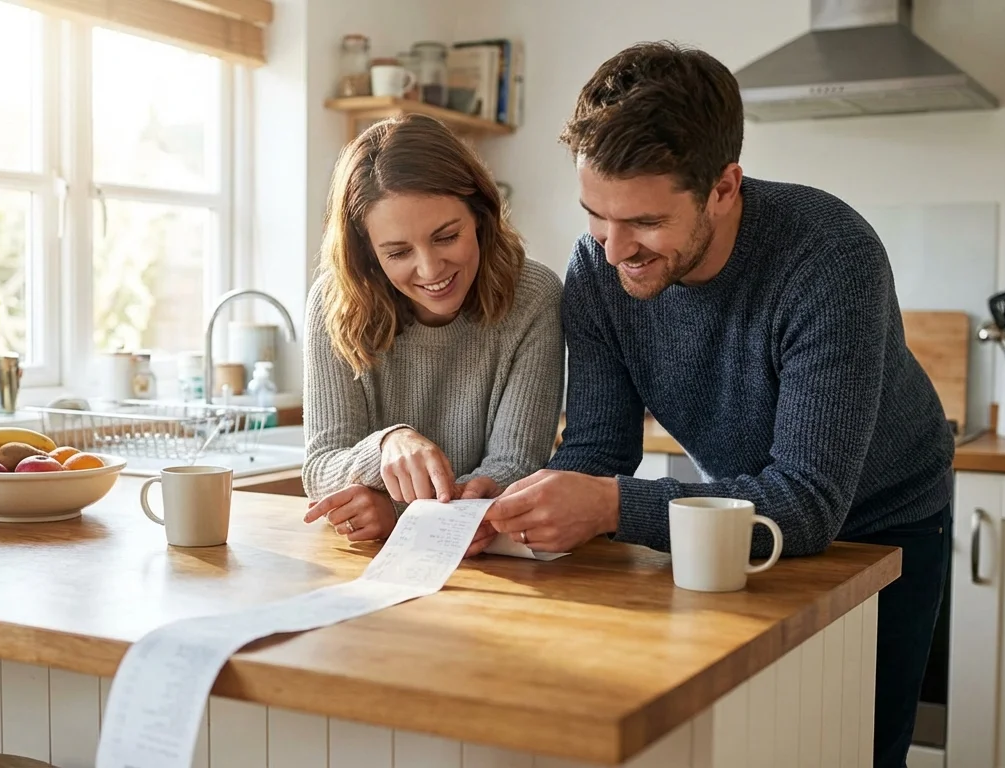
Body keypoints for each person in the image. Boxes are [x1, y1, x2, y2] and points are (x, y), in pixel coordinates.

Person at [483, 42, 953, 768]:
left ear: (725, 187)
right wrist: (530, 505)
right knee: (752, 740)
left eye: (642, 222)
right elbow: (598, 453)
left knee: (856, 747)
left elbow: (806, 503)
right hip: (737, 514)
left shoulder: (830, 257)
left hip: (883, 525)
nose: (612, 251)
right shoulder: (599, 268)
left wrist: (609, 507)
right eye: (595, 217)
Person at [301, 113, 565, 544]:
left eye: (446, 237)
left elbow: (516, 465)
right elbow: (319, 468)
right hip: (377, 566)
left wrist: (413, 512)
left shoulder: (533, 297)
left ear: (479, 214)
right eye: (399, 251)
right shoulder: (335, 302)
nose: (430, 269)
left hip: (492, 563)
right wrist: (387, 445)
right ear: (368, 254)